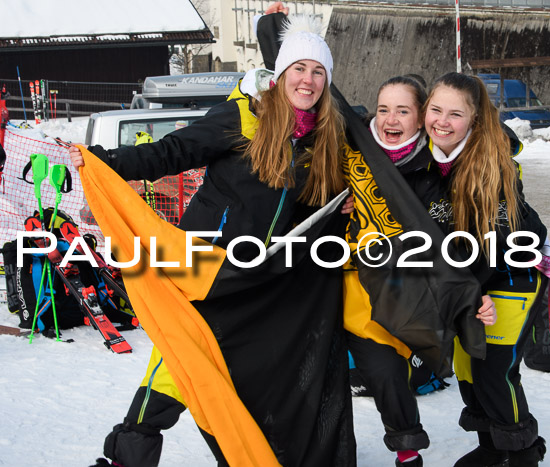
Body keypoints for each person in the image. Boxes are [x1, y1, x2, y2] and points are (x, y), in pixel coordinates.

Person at [71, 15, 356, 467]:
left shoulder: (329, 140)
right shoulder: (242, 116)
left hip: (267, 281)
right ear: (280, 74)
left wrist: (342, 213)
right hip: (209, 269)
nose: (308, 80)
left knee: (248, 377)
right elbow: (169, 152)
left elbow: (320, 206)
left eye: (318, 71)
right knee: (180, 365)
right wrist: (103, 161)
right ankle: (126, 457)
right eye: (299, 69)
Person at [345, 75, 497, 467]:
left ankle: (407, 450)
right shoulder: (352, 144)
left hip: (390, 292)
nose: (390, 120)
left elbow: (455, 245)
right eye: (383, 110)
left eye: (403, 110)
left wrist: (475, 290)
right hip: (330, 279)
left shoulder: (435, 172)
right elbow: (310, 87)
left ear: (420, 118)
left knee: (384, 371)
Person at [418, 72, 548, 467]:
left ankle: (521, 453)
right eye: (435, 109)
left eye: (455, 114)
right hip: (467, 281)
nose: (442, 121)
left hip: (509, 277)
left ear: (474, 119)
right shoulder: (424, 158)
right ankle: (493, 445)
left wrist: (473, 292)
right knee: (468, 366)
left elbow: (503, 239)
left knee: (494, 370)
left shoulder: (492, 163)